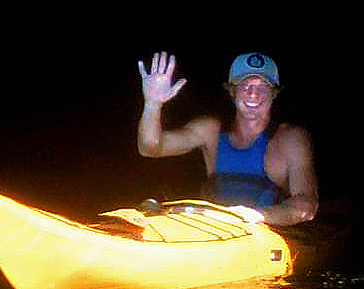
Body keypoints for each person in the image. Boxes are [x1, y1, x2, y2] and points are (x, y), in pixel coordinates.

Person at [135, 50, 317, 225]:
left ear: (274, 93)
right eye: (245, 86)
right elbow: (150, 148)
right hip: (215, 232)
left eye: (263, 87)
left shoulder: (291, 138)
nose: (254, 94)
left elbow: (308, 205)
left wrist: (259, 215)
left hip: (266, 237)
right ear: (232, 91)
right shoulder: (209, 130)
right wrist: (153, 104)